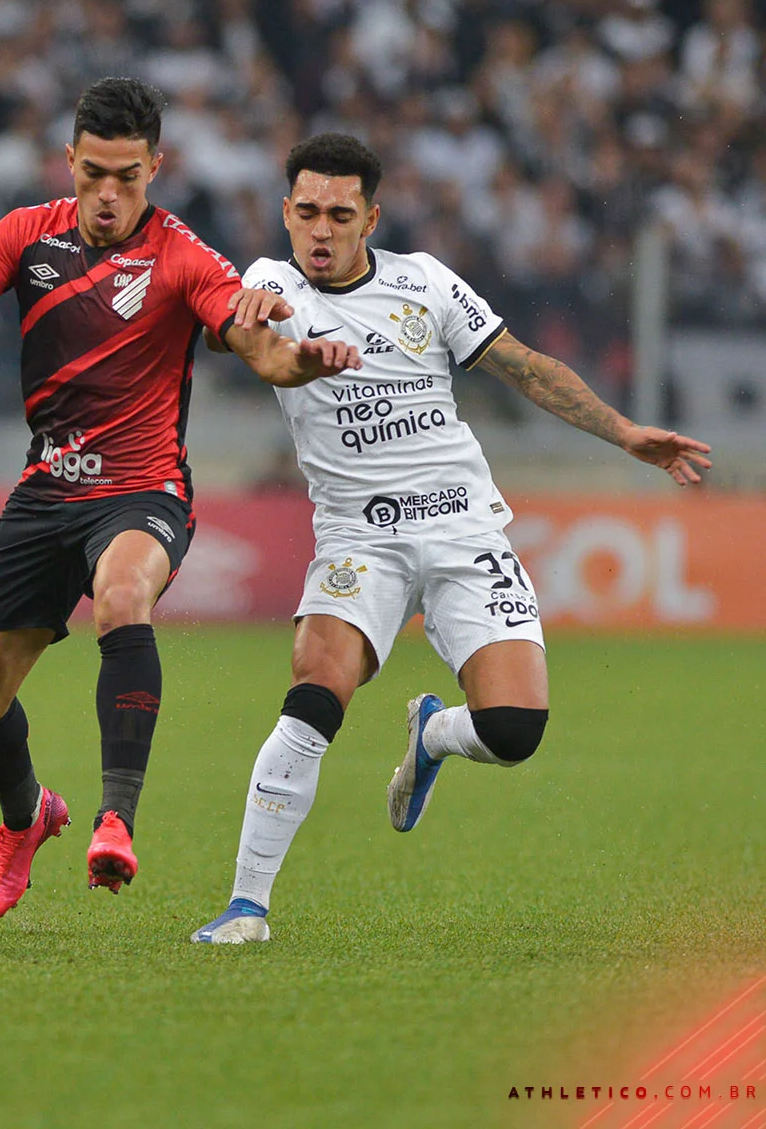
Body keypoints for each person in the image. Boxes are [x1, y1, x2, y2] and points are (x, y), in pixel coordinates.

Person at [191, 132, 712, 944]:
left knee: (514, 733)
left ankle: (433, 733)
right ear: (285, 213)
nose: (319, 231)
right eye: (305, 213)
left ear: (371, 217)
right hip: (358, 537)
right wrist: (301, 355)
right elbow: (263, 353)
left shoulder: (424, 281)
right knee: (316, 689)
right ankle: (247, 907)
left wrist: (624, 434)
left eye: (338, 214)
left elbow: (526, 366)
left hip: (464, 525)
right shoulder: (268, 283)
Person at [0, 79, 359, 921]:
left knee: (122, 596)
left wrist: (306, 358)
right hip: (45, 491)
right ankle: (27, 818)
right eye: (94, 174)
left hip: (145, 490)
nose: (108, 196)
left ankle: (116, 819)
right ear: (69, 161)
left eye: (128, 178)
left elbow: (261, 350)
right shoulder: (22, 236)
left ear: (157, 167)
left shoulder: (185, 256)